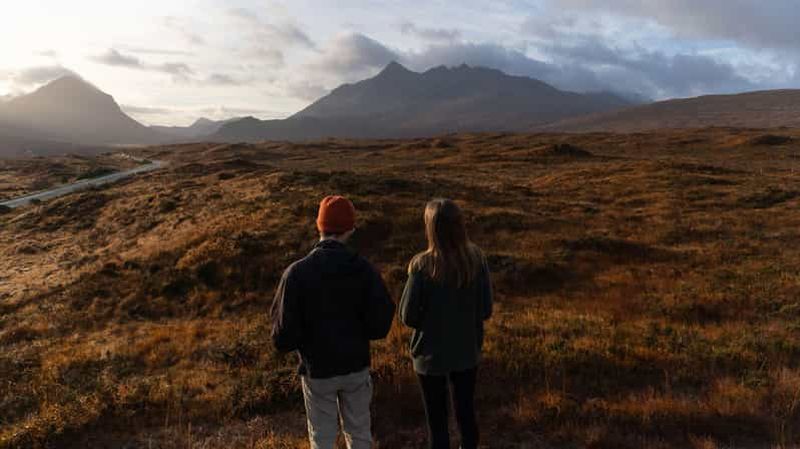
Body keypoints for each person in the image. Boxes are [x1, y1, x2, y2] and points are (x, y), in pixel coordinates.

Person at [271, 195, 396, 449]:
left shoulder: (296, 273)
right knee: (359, 434)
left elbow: (282, 336)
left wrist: (305, 343)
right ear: (351, 229)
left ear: (319, 226)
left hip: (317, 370)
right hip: (356, 366)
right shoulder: (364, 269)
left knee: (322, 439)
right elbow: (381, 322)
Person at [399, 199, 493, 449]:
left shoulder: (421, 266)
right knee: (466, 414)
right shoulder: (477, 260)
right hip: (466, 352)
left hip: (430, 356)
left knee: (437, 422)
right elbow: (486, 310)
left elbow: (407, 316)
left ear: (431, 228)